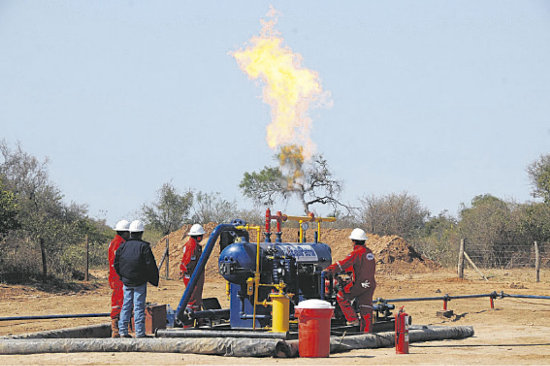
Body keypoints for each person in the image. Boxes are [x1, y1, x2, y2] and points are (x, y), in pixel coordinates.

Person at [323, 228, 376, 332]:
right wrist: (348, 273)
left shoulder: (356, 253)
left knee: (341, 296)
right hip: (369, 284)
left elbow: (344, 263)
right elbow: (361, 266)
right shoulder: (369, 253)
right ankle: (366, 334)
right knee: (366, 308)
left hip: (360, 284)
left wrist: (329, 270)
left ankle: (352, 320)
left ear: (354, 241)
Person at [114, 220, 159, 338]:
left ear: (130, 232)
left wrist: (123, 276)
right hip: (139, 282)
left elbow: (117, 264)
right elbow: (150, 264)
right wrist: (153, 279)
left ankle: (122, 331)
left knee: (126, 305)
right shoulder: (144, 247)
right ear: (141, 233)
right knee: (139, 306)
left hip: (127, 281)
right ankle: (139, 332)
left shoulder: (123, 246)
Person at [108, 219, 130, 338]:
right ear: (124, 232)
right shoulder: (119, 243)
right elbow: (117, 262)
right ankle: (116, 328)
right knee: (120, 301)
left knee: (119, 299)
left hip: (115, 276)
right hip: (119, 276)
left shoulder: (114, 242)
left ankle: (118, 328)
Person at [179, 223, 206, 313]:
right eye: (201, 236)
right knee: (193, 297)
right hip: (192, 276)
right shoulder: (192, 246)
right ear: (198, 237)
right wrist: (185, 271)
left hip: (194, 275)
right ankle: (191, 320)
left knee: (195, 297)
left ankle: (197, 316)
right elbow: (188, 261)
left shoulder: (194, 245)